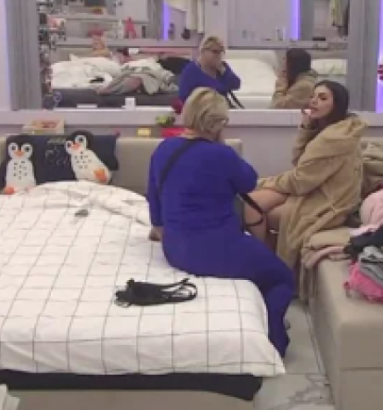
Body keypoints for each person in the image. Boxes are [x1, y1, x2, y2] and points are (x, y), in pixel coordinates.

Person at [147, 87, 294, 356]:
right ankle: (275, 342)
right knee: (282, 278)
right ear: (219, 123)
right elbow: (249, 182)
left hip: (175, 250)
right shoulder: (221, 155)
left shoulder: (163, 149)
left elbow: (155, 210)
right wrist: (222, 145)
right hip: (218, 249)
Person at [245, 81, 367, 291]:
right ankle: (267, 259)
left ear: (337, 105)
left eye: (323, 98)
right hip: (313, 189)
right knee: (250, 201)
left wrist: (266, 182)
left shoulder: (333, 139)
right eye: (313, 96)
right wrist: (306, 127)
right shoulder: (331, 129)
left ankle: (270, 267)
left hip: (325, 202)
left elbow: (300, 180)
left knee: (255, 208)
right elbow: (299, 163)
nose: (314, 101)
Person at [177, 36, 241, 103]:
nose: (218, 55)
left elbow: (236, 84)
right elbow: (183, 97)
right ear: (203, 51)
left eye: (221, 52)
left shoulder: (223, 67)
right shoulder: (191, 70)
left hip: (222, 106)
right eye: (215, 51)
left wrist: (223, 71)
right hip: (201, 107)